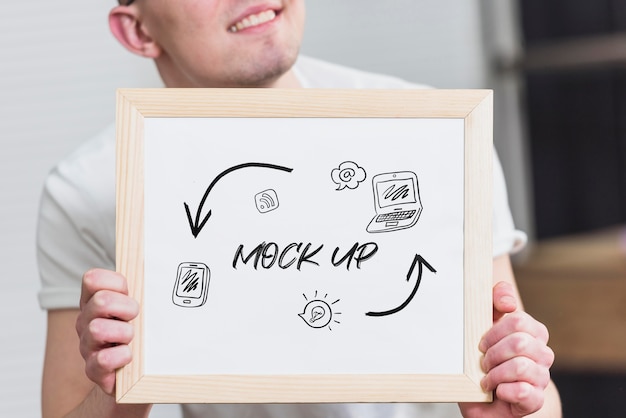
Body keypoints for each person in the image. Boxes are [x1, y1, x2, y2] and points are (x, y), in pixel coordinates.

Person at [37, 1, 561, 417]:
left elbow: (529, 399)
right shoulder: (88, 190)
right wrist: (117, 384)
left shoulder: (436, 136)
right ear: (139, 31)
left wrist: (515, 396)